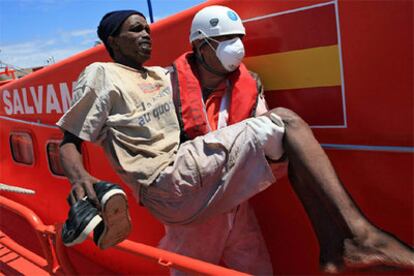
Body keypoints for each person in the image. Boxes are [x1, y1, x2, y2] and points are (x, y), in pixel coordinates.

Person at [57, 8, 414, 275]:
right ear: (111, 41)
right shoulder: (105, 74)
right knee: (286, 123)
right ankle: (359, 236)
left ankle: (335, 250)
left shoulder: (159, 75)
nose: (147, 34)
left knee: (258, 263)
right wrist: (79, 179)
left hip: (219, 191)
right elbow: (70, 137)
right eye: (135, 30)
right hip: (173, 185)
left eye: (147, 28)